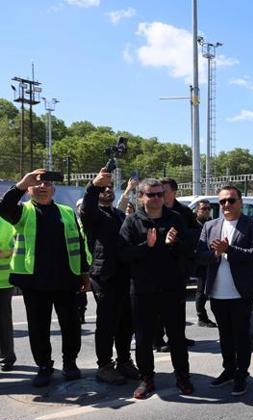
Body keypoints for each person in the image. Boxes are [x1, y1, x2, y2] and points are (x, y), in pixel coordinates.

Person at [0, 169, 90, 386]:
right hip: (34, 282)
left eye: (47, 184)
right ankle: (44, 366)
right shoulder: (23, 212)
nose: (42, 187)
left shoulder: (67, 212)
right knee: (38, 328)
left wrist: (84, 274)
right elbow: (4, 208)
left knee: (71, 325)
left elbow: (78, 242)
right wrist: (21, 183)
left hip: (66, 279)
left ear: (54, 189)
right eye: (37, 184)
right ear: (29, 189)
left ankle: (70, 363)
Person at [119, 178, 194, 399]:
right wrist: (146, 246)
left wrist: (175, 243)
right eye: (151, 195)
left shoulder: (176, 219)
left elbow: (189, 250)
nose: (156, 198)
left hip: (171, 289)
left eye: (160, 194)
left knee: (177, 336)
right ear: (141, 197)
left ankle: (182, 376)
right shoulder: (132, 222)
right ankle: (146, 379)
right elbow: (123, 254)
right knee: (143, 338)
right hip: (143, 290)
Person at [197, 186, 253, 397]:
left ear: (240, 202)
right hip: (217, 291)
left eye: (231, 200)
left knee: (241, 337)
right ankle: (229, 369)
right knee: (225, 336)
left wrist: (229, 250)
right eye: (222, 201)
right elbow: (200, 255)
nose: (226, 205)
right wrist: (215, 254)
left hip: (240, 293)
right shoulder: (210, 225)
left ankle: (242, 373)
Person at [80, 169, 140, 385]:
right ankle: (104, 366)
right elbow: (87, 206)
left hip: (125, 274)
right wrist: (94, 185)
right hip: (104, 275)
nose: (107, 191)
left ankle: (124, 360)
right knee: (107, 321)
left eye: (108, 189)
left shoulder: (118, 214)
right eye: (102, 190)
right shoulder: (93, 214)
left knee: (126, 320)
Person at [159, 177, 197, 349]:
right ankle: (158, 339)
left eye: (163, 191)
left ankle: (178, 337)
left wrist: (179, 237)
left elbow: (195, 233)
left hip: (178, 265)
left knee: (178, 305)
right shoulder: (152, 210)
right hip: (157, 265)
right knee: (158, 306)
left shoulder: (184, 212)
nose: (159, 195)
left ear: (174, 192)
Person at [193, 200, 217, 328]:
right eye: (203, 209)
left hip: (214, 259)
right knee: (201, 292)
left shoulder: (213, 223)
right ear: (197, 210)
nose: (207, 211)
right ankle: (201, 317)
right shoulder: (195, 225)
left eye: (208, 208)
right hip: (201, 261)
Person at [0, 216, 16, 371]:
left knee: (3, 322)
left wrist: (3, 253)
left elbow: (12, 250)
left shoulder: (6, 225)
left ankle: (7, 356)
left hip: (3, 282)